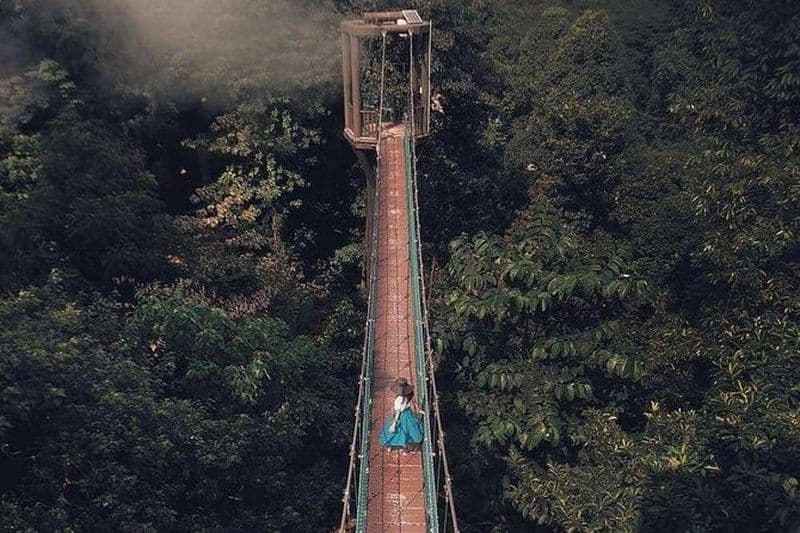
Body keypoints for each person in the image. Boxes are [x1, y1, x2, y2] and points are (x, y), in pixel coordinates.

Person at [379, 377, 424, 453]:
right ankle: (406, 446)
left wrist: (393, 424)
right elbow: (414, 401)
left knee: (397, 430)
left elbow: (398, 412)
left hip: (401, 415)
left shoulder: (399, 399)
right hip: (408, 413)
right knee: (410, 429)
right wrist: (419, 410)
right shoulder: (409, 394)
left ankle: (390, 445)